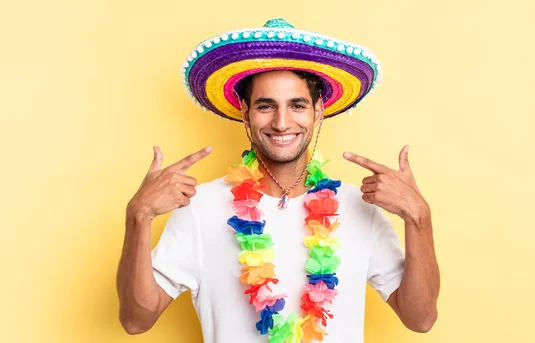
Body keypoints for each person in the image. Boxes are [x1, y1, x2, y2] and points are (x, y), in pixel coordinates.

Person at [117, 18, 440, 343]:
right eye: (266, 106)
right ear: (245, 112)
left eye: (297, 105)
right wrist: (138, 216)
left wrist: (418, 217)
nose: (282, 122)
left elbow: (420, 318)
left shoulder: (359, 207)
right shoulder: (199, 208)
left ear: (318, 110)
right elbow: (135, 319)